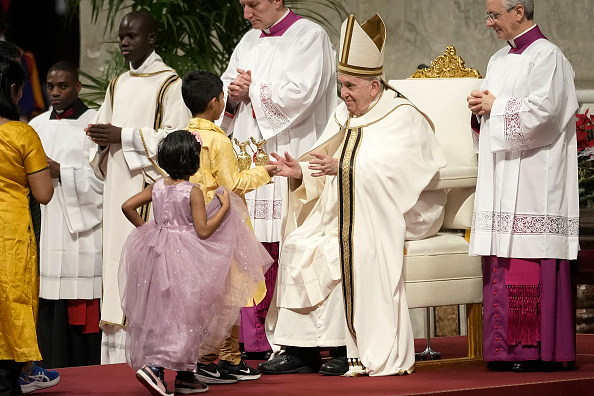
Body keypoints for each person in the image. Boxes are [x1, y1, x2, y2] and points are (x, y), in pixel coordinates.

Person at [260, 14, 447, 377]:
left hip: (397, 209)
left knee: (339, 247)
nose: (344, 94)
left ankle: (349, 347)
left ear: (374, 86)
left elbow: (405, 172)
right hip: (346, 205)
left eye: (350, 87)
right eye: (341, 86)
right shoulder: (344, 114)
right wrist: (300, 171)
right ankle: (302, 350)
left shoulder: (401, 115)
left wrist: (345, 169)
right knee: (300, 240)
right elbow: (326, 159)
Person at [219, 0, 337, 362]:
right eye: (243, 5)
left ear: (277, 1)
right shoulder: (250, 39)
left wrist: (252, 91)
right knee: (252, 240)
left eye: (253, 4)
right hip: (250, 151)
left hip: (291, 151)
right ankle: (252, 339)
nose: (246, 13)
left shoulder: (309, 36)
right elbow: (226, 85)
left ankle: (285, 338)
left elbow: (301, 93)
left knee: (284, 239)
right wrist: (232, 94)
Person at [467, 0, 578, 372]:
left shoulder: (548, 57)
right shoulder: (498, 60)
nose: (488, 23)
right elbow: (492, 110)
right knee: (502, 255)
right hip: (501, 175)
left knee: (526, 261)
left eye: (494, 15)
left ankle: (531, 350)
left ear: (519, 11)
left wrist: (495, 107)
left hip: (534, 177)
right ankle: (502, 349)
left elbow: (545, 115)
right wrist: (478, 110)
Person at [119, 130, 272, 396]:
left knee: (166, 312)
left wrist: (150, 230)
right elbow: (203, 230)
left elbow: (127, 206)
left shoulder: (156, 186)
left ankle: (186, 375)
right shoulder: (193, 191)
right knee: (188, 313)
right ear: (193, 161)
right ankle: (155, 368)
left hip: (159, 255)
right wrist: (224, 208)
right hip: (186, 258)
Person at [85, 10, 190, 364]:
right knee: (116, 261)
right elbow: (103, 129)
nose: (124, 43)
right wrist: (100, 140)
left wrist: (124, 135)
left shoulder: (169, 84)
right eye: (121, 37)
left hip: (147, 192)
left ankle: (147, 359)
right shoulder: (118, 84)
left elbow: (179, 140)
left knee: (142, 268)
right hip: (117, 183)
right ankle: (114, 361)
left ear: (152, 39)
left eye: (132, 36)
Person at [182, 70, 277, 383]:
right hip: (221, 221)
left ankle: (219, 359)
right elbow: (232, 184)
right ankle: (220, 360)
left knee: (215, 292)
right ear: (215, 103)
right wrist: (265, 172)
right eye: (223, 97)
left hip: (194, 221)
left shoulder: (182, 135)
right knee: (228, 291)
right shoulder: (217, 139)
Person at [28, 61, 103, 369]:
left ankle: (83, 363)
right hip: (47, 217)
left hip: (81, 225)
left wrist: (61, 171)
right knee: (46, 294)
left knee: (78, 293)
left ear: (78, 87)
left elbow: (102, 178)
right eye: (50, 86)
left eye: (63, 86)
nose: (55, 93)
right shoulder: (36, 125)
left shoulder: (95, 121)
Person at [0, 57, 54, 395]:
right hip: (10, 232)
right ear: (14, 89)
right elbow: (44, 193)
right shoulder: (22, 133)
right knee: (12, 299)